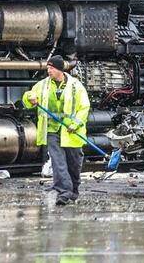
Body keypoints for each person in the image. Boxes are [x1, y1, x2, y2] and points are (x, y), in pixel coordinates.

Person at [22, 55, 90, 205]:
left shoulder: (75, 86)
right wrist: (31, 98)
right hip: (52, 130)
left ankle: (73, 190)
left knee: (74, 163)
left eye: (52, 68)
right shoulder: (43, 85)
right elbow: (27, 97)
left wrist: (76, 124)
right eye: (48, 68)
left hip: (71, 132)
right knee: (58, 162)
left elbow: (84, 107)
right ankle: (63, 192)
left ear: (60, 69)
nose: (49, 71)